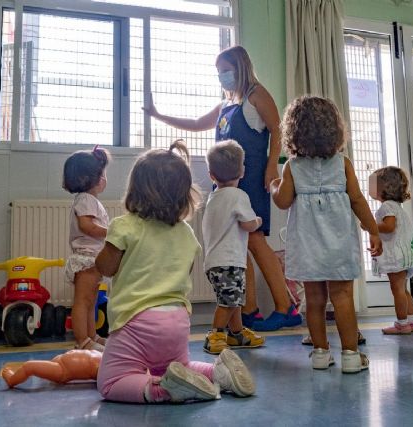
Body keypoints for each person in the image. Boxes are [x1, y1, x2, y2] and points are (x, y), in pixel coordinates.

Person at [144, 45, 301, 331]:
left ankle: (286, 306)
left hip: (251, 176)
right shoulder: (226, 105)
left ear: (240, 67)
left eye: (225, 71)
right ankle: (249, 309)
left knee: (254, 239)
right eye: (218, 73)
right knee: (239, 242)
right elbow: (195, 123)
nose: (222, 77)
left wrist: (271, 167)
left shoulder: (257, 95)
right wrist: (157, 115)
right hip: (228, 182)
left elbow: (277, 129)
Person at [95, 140, 255, 404]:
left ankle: (163, 391)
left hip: (135, 322)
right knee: (174, 367)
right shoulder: (186, 233)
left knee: (110, 382)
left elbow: (106, 268)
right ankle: (218, 373)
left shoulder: (124, 227)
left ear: (135, 190)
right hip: (177, 322)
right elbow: (184, 271)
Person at [270, 95, 383, 373]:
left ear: (293, 132)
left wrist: (274, 186)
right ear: (335, 130)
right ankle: (351, 356)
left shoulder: (292, 167)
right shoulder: (342, 163)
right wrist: (374, 231)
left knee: (315, 298)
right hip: (338, 242)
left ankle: (320, 353)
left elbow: (283, 201)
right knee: (343, 296)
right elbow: (357, 200)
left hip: (308, 244)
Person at [202, 140, 266, 354]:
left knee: (233, 299)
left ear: (212, 175)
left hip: (214, 261)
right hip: (229, 260)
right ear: (242, 171)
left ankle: (236, 333)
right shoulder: (239, 196)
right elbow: (247, 224)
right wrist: (258, 220)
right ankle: (216, 334)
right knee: (228, 302)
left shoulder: (213, 197)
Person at [62, 145, 111, 351]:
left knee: (91, 301)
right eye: (102, 174)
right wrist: (110, 233)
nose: (104, 178)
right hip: (86, 258)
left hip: (92, 258)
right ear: (90, 179)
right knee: (83, 301)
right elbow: (86, 226)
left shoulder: (90, 200)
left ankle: (92, 336)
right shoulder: (86, 199)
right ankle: (82, 340)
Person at [369, 166, 413, 335]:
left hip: (395, 256)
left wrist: (369, 225)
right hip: (403, 254)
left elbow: (389, 227)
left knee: (397, 290)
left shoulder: (386, 207)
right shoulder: (395, 206)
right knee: (403, 290)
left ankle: (401, 324)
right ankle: (411, 322)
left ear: (384, 187)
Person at [1, 349, 102, 388]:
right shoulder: (111, 356)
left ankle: (11, 380)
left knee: (29, 366)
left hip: (63, 371)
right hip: (61, 361)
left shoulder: (107, 370)